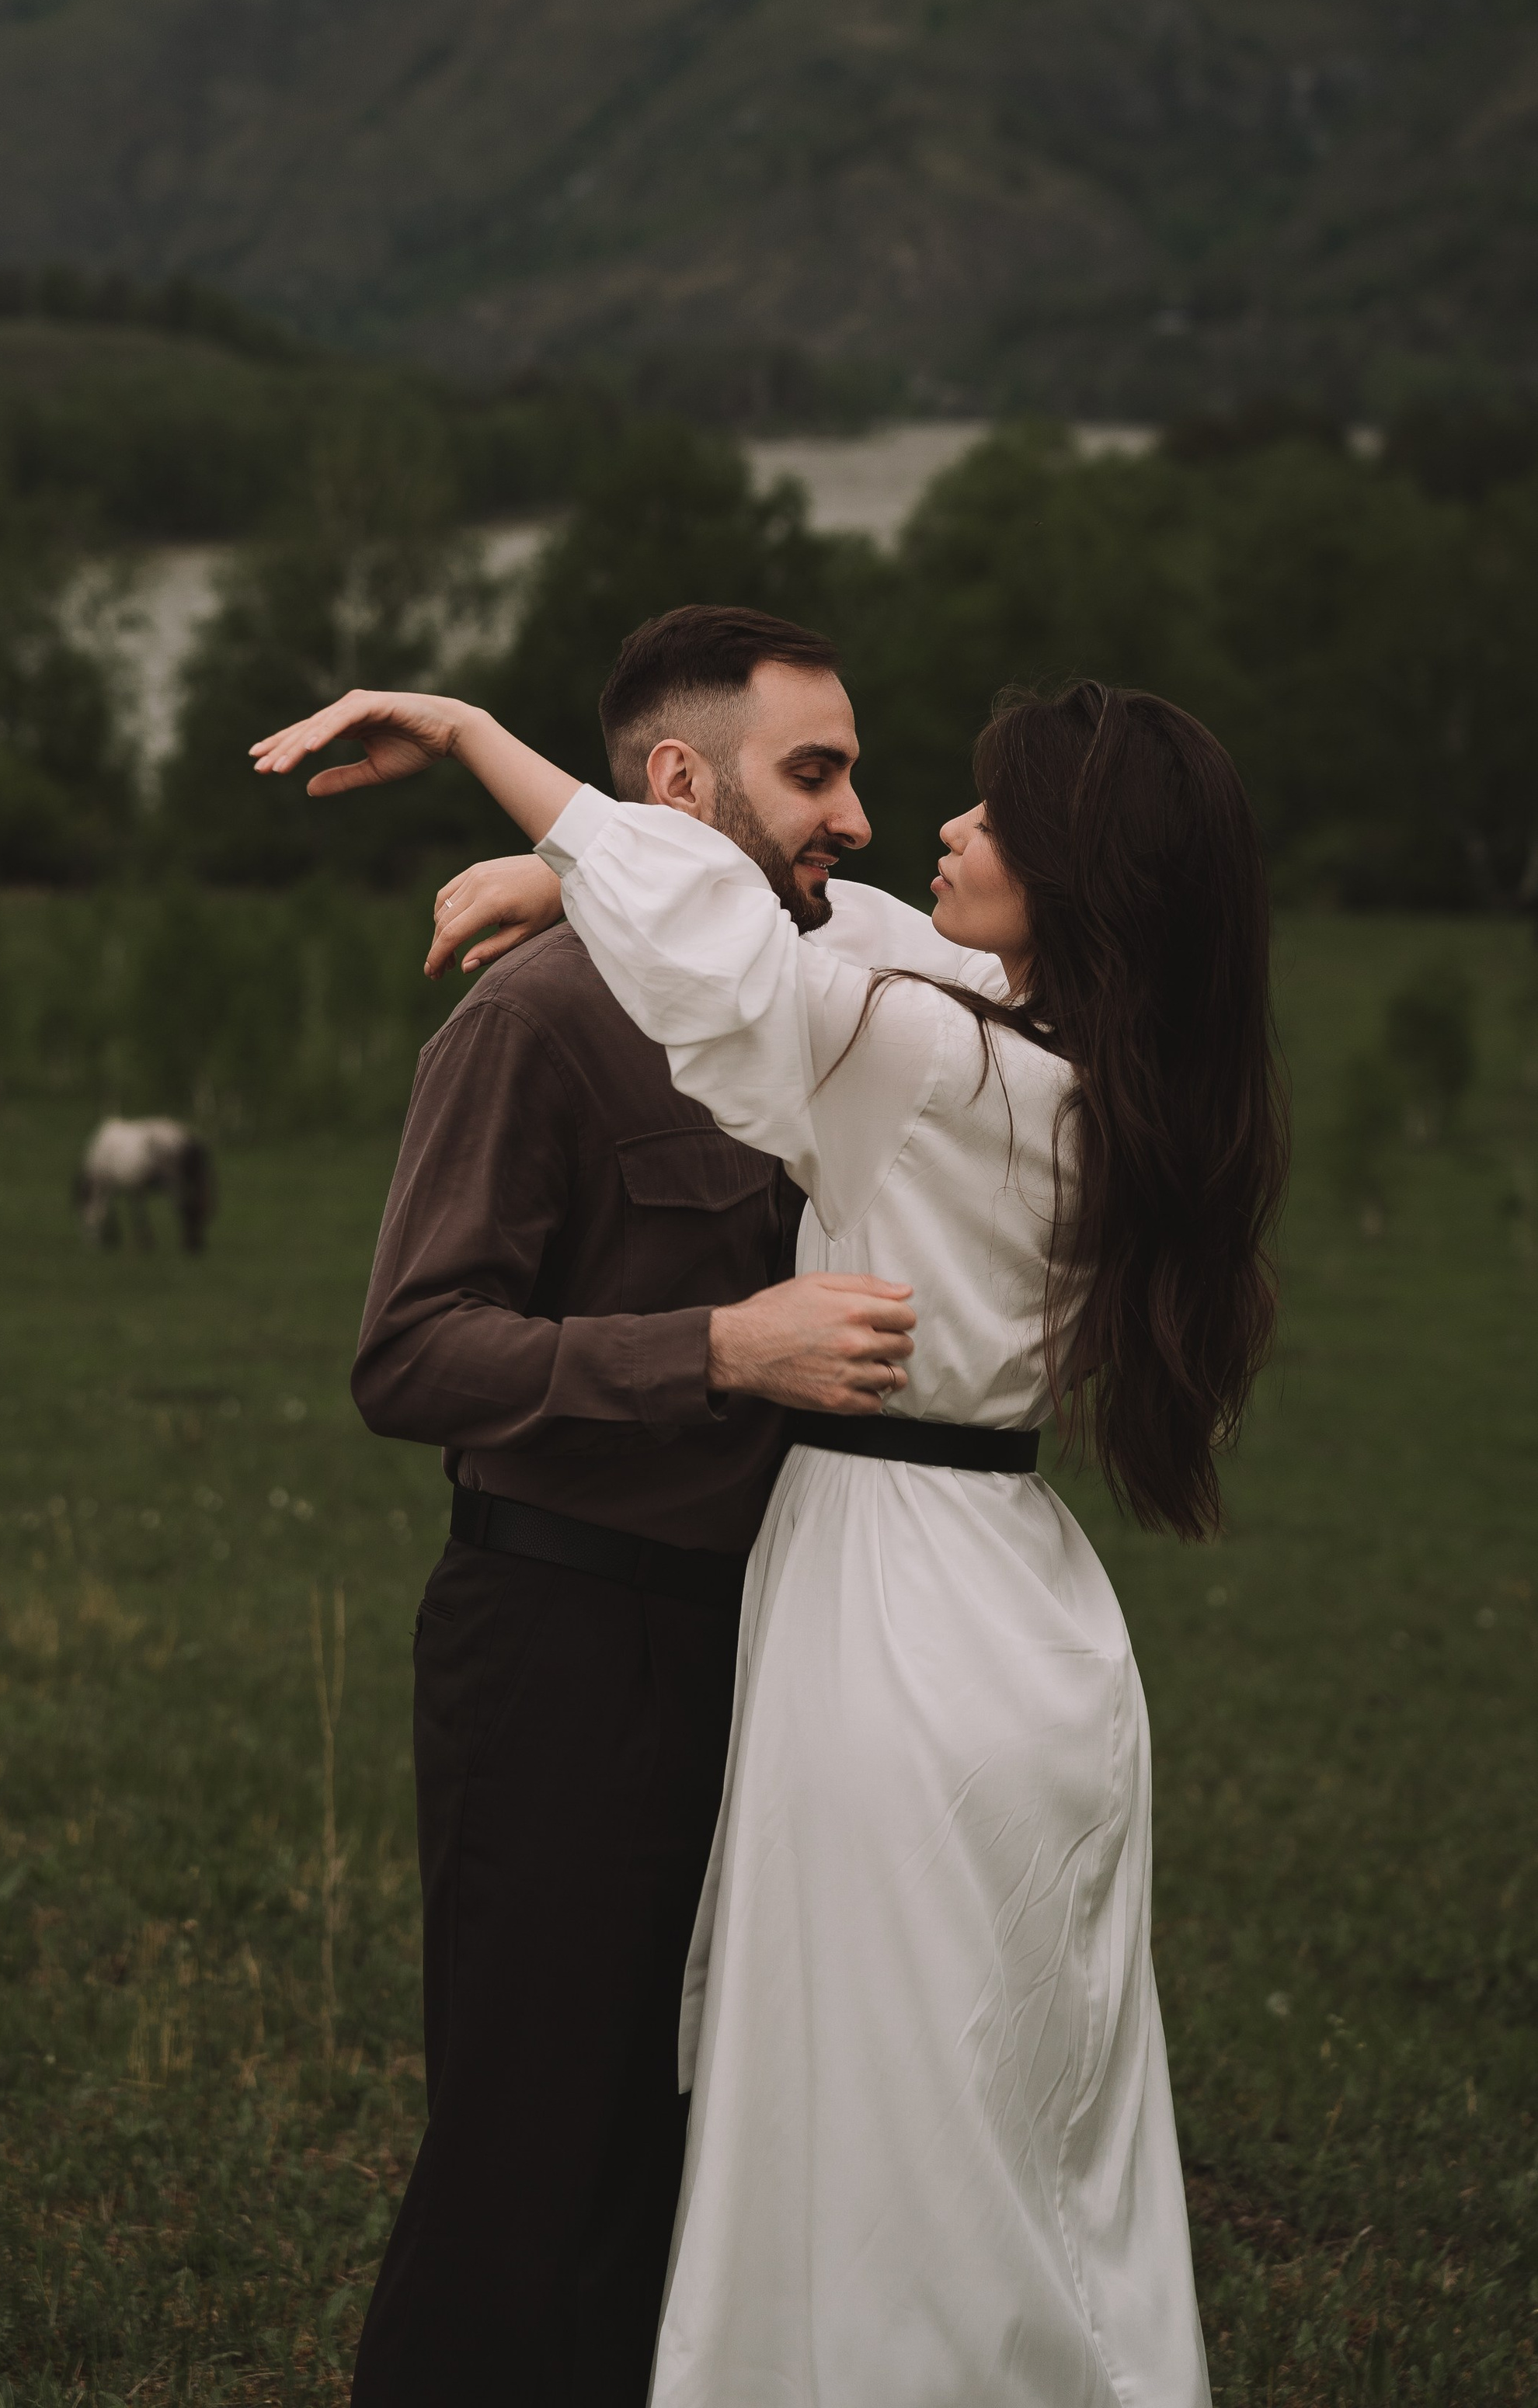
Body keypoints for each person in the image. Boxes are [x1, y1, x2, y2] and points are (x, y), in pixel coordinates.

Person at [254, 670, 1287, 2408]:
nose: (936, 829)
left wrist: (474, 751)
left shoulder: (921, 1050)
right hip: (1025, 1609)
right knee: (1023, 2111)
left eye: (990, 816)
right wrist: (579, 877)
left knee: (877, 2115)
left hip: (887, 1613)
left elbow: (745, 953)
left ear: (1070, 882)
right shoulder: (1087, 1055)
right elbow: (860, 930)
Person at [337, 608, 938, 2408]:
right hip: (564, 1649)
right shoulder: (533, 1025)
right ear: (676, 783)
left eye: (852, 771)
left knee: (704, 2139)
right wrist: (716, 1351)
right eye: (812, 773)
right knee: (536, 2137)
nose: (853, 814)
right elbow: (410, 1358)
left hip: (773, 1653)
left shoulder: (823, 1016)